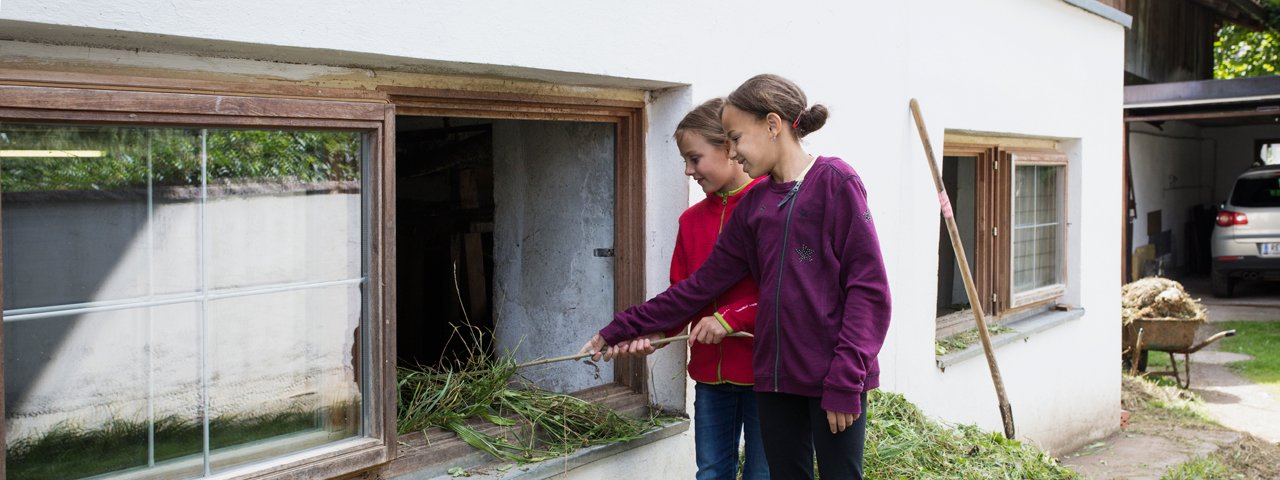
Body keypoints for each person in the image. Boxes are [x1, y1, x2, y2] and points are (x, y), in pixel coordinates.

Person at [581, 74, 891, 479]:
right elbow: (699, 286)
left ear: (773, 125)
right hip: (777, 380)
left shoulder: (836, 183)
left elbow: (868, 290)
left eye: (735, 138)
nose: (732, 152)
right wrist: (625, 326)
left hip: (834, 376)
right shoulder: (755, 207)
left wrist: (847, 378)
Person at [614, 97, 769, 480]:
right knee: (711, 473)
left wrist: (731, 319)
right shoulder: (691, 221)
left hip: (765, 374)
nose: (687, 170)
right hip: (710, 378)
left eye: (694, 158)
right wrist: (653, 331)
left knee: (764, 475)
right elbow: (681, 296)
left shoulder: (772, 207)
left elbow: (787, 294)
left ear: (729, 148)